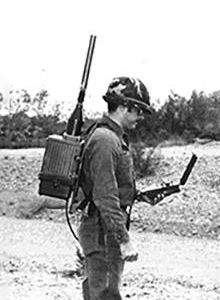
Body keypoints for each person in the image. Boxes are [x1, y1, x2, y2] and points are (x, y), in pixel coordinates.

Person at [77, 76, 153, 300]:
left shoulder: (111, 137)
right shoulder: (106, 140)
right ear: (122, 107)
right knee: (106, 294)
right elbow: (105, 195)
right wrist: (124, 239)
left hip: (102, 226)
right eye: (137, 110)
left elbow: (111, 187)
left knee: (100, 291)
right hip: (103, 230)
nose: (140, 116)